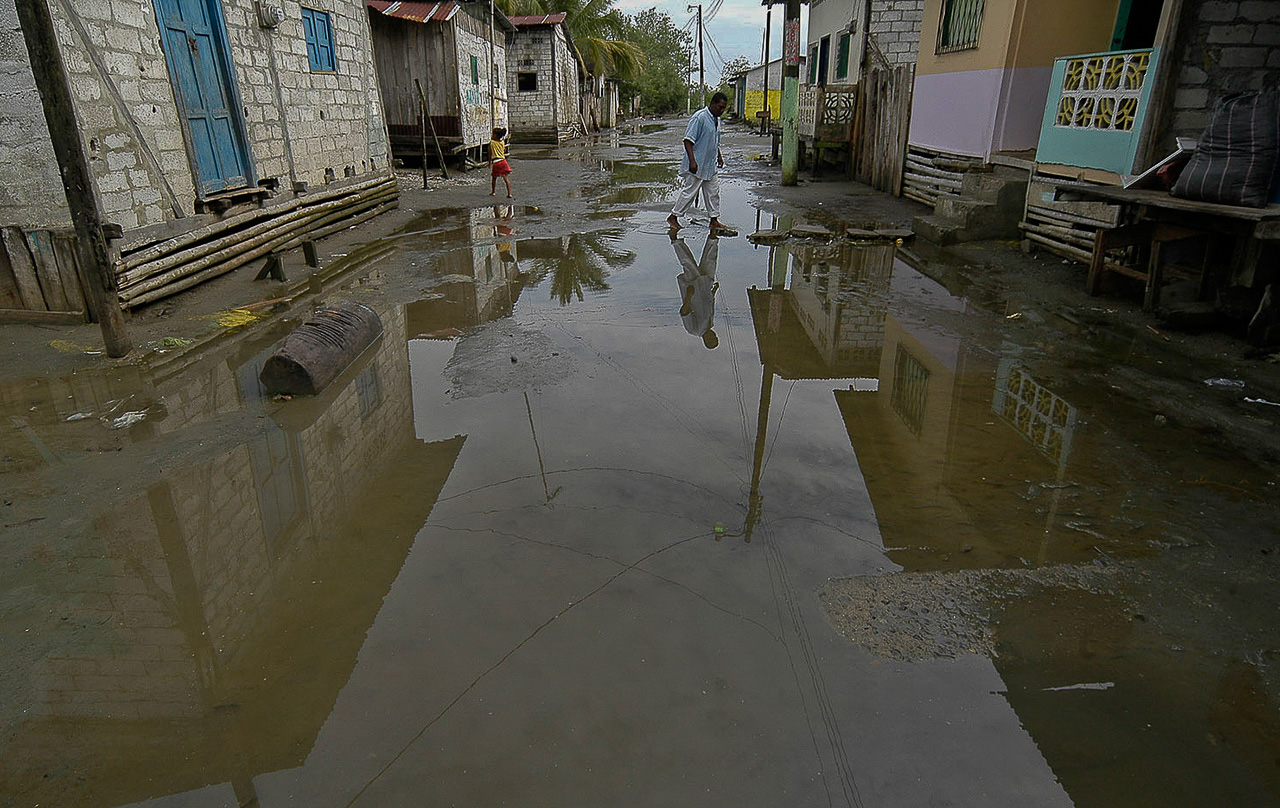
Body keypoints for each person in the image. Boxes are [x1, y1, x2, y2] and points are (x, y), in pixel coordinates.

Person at [668, 92, 729, 233]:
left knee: (713, 192)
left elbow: (715, 141)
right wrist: (692, 161)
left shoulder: (716, 120)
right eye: (720, 107)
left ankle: (714, 220)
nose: (722, 111)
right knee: (690, 192)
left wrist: (719, 157)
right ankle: (673, 217)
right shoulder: (700, 117)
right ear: (713, 104)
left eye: (724, 108)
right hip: (697, 163)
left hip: (710, 164)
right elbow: (688, 140)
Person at [672, 232, 720, 349]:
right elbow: (709, 304)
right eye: (715, 336)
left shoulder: (695, 330)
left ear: (706, 340)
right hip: (706, 286)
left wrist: (688, 295)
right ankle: (713, 236)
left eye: (712, 338)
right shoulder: (710, 323)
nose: (713, 335)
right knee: (710, 260)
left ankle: (674, 239)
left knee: (688, 262)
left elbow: (685, 312)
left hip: (693, 289)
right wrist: (713, 291)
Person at [490, 127, 512, 198]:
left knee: (494, 178)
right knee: (506, 178)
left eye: (493, 134)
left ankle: (493, 192)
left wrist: (489, 162)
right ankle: (509, 194)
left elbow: (489, 153)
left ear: (495, 135)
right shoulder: (502, 142)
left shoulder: (492, 143)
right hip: (503, 161)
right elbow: (504, 150)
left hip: (496, 162)